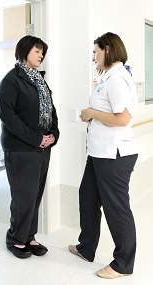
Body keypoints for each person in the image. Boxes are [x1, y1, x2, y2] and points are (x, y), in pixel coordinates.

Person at [69, 32, 138, 279]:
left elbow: (123, 118)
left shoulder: (118, 77)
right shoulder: (108, 77)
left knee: (116, 208)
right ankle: (86, 247)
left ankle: (123, 264)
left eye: (95, 52)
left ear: (107, 49)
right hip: (99, 152)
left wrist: (91, 113)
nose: (93, 57)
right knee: (87, 197)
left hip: (114, 154)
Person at [0, 35, 59, 259]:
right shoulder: (11, 80)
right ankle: (15, 238)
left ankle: (28, 236)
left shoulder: (40, 81)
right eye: (37, 51)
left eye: (43, 52)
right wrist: (36, 138)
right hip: (21, 148)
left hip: (42, 148)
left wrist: (53, 134)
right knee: (23, 195)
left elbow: (51, 111)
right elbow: (8, 117)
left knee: (35, 195)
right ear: (23, 51)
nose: (41, 55)